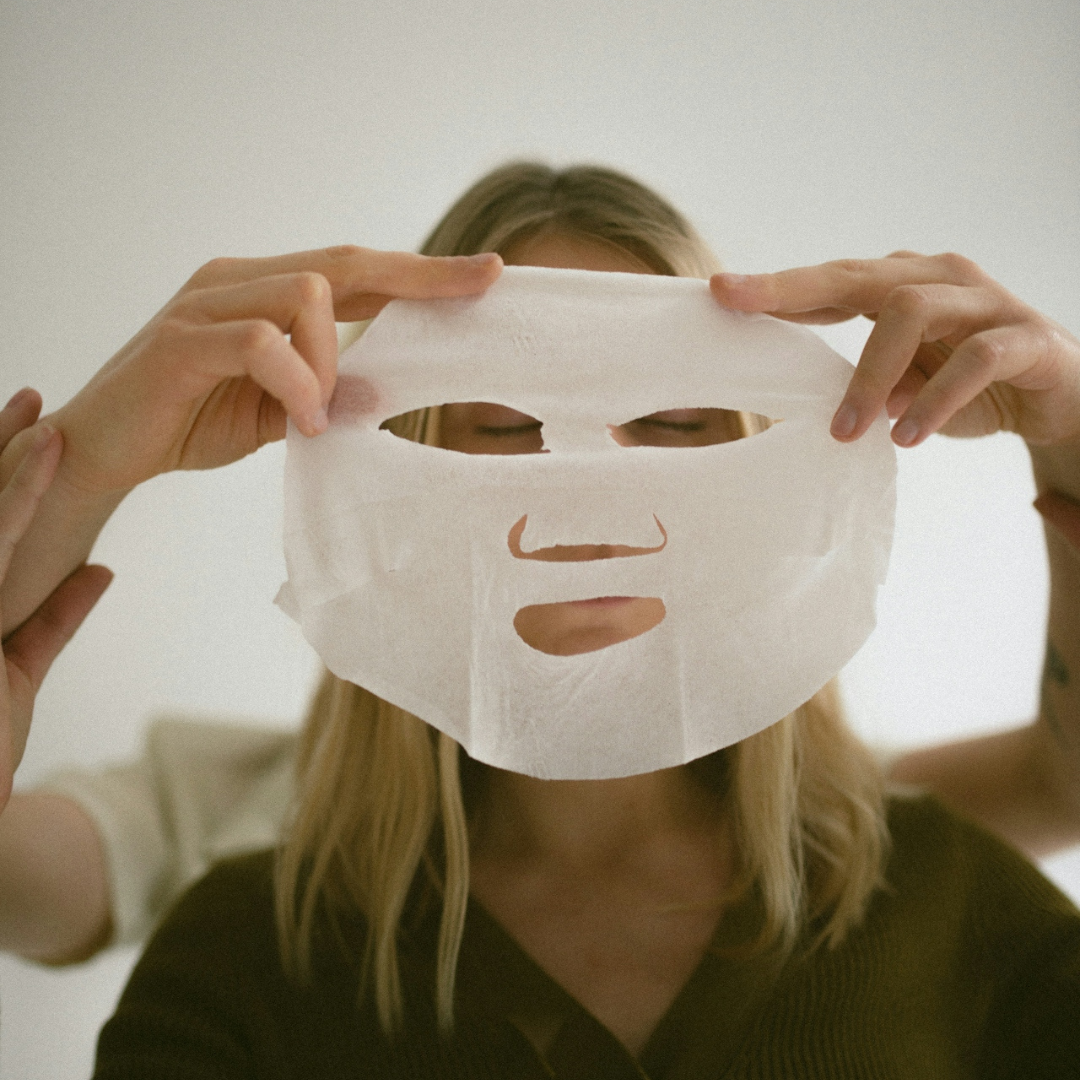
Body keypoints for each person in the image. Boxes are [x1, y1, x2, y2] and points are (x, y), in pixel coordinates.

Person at [2, 163, 1080, 1076]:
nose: (585, 490)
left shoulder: (955, 911)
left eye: (671, 419)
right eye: (501, 424)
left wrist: (1072, 435)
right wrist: (90, 461)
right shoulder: (244, 952)